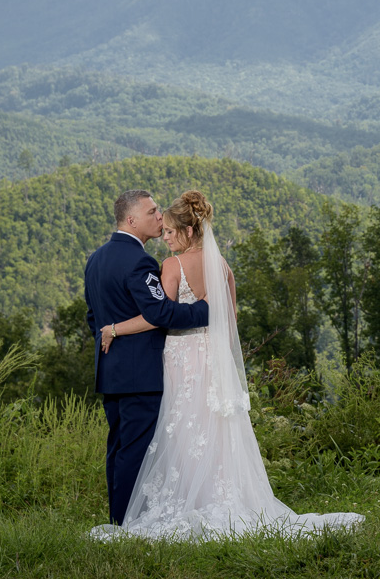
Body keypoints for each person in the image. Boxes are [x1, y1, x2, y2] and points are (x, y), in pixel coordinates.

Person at [91, 190, 363, 541]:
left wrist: (113, 329)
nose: (165, 234)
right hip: (209, 359)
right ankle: (216, 498)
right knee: (211, 430)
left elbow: (157, 316)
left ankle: (152, 511)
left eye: (172, 230)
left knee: (175, 433)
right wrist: (210, 309)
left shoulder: (162, 265)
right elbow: (230, 315)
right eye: (160, 222)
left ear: (188, 232)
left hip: (169, 361)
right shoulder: (221, 265)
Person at [84, 189, 210, 527]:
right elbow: (160, 312)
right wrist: (206, 311)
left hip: (110, 371)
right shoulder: (139, 261)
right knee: (136, 451)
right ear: (131, 219)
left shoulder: (95, 259)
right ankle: (129, 523)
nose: (159, 217)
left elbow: (93, 318)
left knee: (119, 447)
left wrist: (110, 334)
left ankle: (117, 518)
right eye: (153, 211)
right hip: (141, 372)